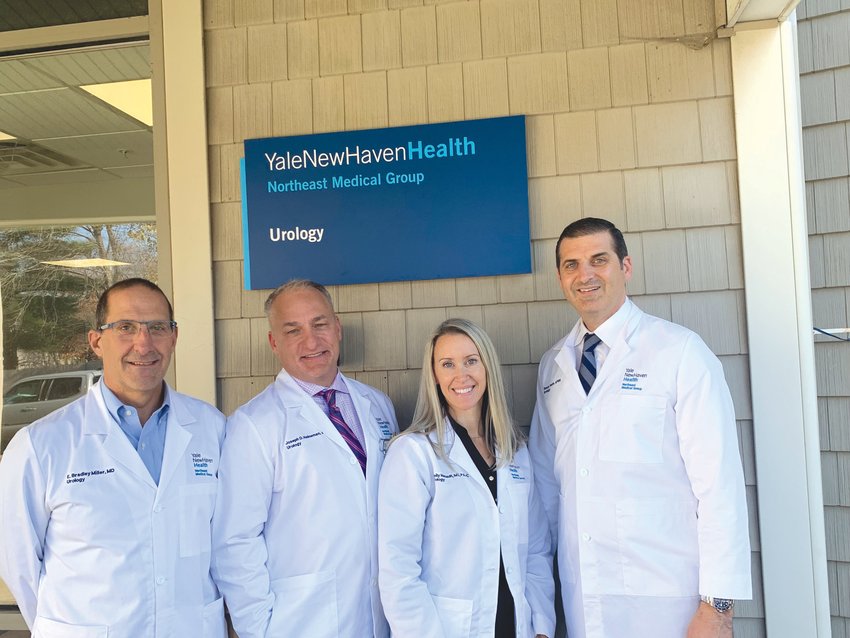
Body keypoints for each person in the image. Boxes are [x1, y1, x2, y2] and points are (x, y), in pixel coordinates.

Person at [528, 217, 752, 638]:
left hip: (671, 600)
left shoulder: (679, 352)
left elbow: (718, 485)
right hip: (585, 598)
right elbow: (544, 489)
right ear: (560, 277)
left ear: (625, 267)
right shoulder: (553, 367)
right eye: (571, 265)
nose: (585, 275)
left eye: (599, 260)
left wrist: (718, 606)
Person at [0, 277, 226, 637]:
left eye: (157, 327)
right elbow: (20, 568)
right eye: (125, 327)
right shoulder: (40, 446)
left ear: (174, 337)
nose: (144, 343)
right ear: (96, 341)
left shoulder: (211, 428)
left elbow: (225, 541)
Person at [212, 279, 398, 638]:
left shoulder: (377, 405)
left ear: (338, 327)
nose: (311, 342)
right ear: (273, 342)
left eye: (319, 324)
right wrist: (258, 629)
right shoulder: (254, 424)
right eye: (293, 330)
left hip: (383, 617)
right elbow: (234, 542)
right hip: (300, 622)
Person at [378, 318, 555, 638]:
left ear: (487, 367)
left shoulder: (515, 451)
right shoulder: (414, 453)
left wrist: (541, 625)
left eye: (471, 361)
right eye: (447, 364)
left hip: (516, 627)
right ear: (434, 375)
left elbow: (536, 550)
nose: (461, 375)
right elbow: (397, 569)